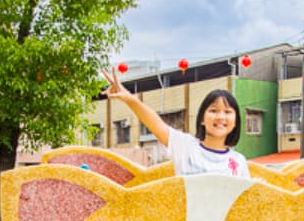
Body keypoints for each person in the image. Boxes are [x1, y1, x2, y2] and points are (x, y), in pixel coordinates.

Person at [101, 67, 250, 178]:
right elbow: (155, 123)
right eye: (213, 110)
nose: (220, 117)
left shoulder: (238, 161)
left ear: (235, 122)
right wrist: (130, 98)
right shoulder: (185, 146)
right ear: (202, 119)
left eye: (228, 112)